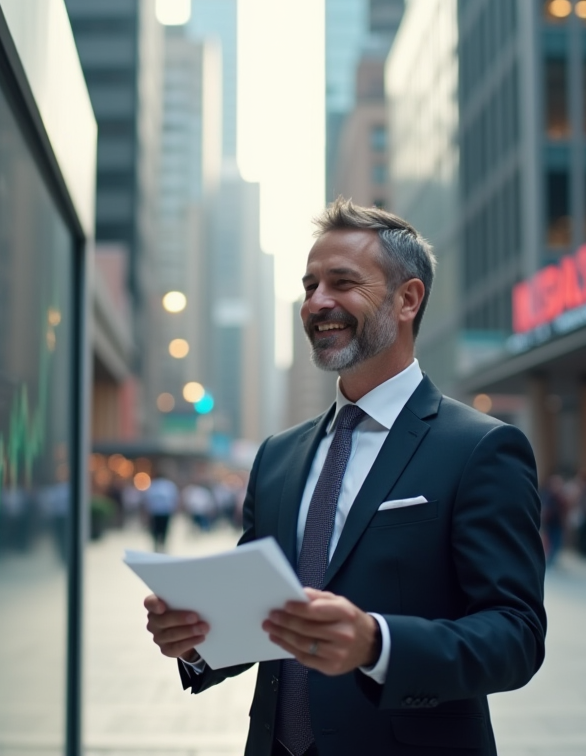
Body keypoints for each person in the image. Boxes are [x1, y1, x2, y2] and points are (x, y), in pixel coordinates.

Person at [142, 200, 546, 756]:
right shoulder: (278, 457)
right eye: (309, 286)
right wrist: (197, 641)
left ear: (408, 299)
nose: (316, 303)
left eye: (342, 282)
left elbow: (516, 635)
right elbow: (261, 615)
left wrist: (377, 644)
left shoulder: (480, 447)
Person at [144, 472, 179, 552]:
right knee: (164, 531)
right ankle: (162, 546)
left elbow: (147, 500)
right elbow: (174, 500)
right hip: (164, 512)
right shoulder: (169, 485)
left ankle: (157, 546)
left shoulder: (153, 485)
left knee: (156, 531)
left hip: (156, 512)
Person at [540, 474, 567, 568]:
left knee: (557, 542)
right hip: (550, 522)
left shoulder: (561, 497)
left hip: (557, 523)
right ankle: (549, 560)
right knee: (550, 542)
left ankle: (552, 559)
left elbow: (564, 509)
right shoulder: (548, 496)